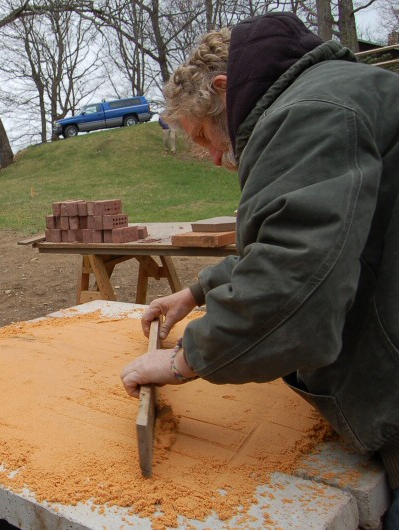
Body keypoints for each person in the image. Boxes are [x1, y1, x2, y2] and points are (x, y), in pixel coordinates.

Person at [119, 12, 399, 527]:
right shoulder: (340, 90)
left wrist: (187, 359)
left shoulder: (309, 115)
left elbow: (294, 282)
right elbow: (313, 235)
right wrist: (197, 292)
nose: (214, 158)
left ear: (224, 89)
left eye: (203, 136)